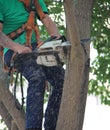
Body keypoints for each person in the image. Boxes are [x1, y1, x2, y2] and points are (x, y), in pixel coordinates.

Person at [0, 0, 65, 130]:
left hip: (36, 49)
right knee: (37, 77)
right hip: (13, 51)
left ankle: (51, 126)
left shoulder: (34, 0)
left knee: (62, 80)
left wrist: (56, 37)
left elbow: (46, 19)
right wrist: (17, 47)